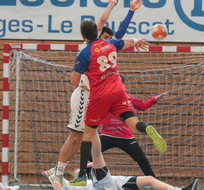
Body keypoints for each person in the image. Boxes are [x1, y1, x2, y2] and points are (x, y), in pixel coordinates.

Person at [46, 1, 144, 190]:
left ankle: (93, 178)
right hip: (85, 94)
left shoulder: (106, 45)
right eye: (104, 34)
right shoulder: (86, 48)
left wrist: (128, 10)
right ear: (96, 34)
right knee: (77, 137)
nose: (107, 37)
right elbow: (103, 20)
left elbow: (121, 31)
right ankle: (59, 172)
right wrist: (113, 5)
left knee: (93, 144)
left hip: (99, 98)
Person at [68, 20, 166, 186]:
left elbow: (74, 81)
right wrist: (136, 41)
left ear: (83, 36)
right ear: (97, 32)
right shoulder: (109, 42)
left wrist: (86, 69)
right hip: (119, 89)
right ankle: (146, 128)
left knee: (88, 136)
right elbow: (127, 42)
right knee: (134, 125)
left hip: (101, 95)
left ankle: (83, 176)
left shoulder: (85, 53)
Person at [44, 132, 198, 190]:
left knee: (150, 180)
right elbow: (63, 181)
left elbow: (68, 176)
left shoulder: (70, 183)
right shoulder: (69, 187)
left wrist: (53, 174)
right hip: (104, 186)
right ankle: (92, 129)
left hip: (112, 183)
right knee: (97, 153)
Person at [87, 75, 169, 177]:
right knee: (89, 157)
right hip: (108, 136)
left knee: (142, 160)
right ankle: (83, 180)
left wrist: (155, 99)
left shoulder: (125, 97)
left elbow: (142, 106)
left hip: (124, 137)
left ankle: (154, 184)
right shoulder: (106, 97)